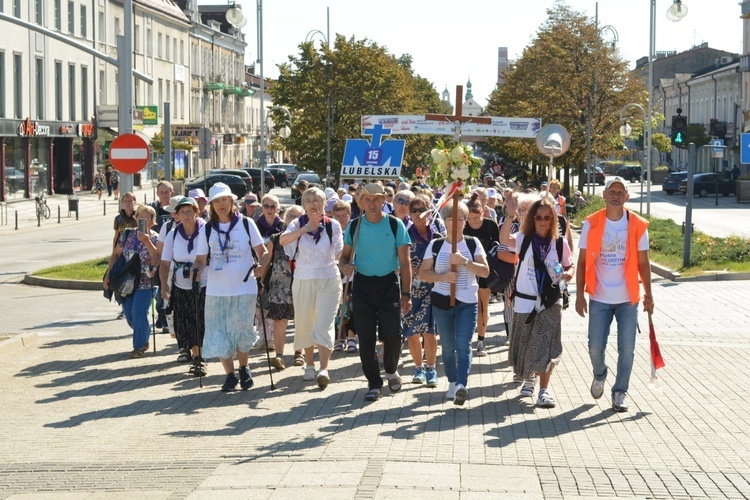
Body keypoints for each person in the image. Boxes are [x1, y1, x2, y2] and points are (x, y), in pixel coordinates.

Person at [575, 177, 654, 412]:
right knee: (595, 347)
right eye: (612, 191)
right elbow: (581, 263)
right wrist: (579, 294)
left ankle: (620, 392)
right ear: (604, 195)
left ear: (627, 197)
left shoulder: (638, 225)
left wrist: (649, 295)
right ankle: (600, 374)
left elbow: (644, 262)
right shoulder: (592, 224)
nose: (616, 195)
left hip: (628, 298)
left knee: (626, 349)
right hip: (599, 297)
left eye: (621, 192)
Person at [339, 183, 412, 402]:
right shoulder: (354, 226)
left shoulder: (395, 224)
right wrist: (345, 266)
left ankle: (391, 369)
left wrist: (406, 294)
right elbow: (344, 256)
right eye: (367, 200)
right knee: (366, 338)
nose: (372, 204)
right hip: (362, 286)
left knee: (392, 335)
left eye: (376, 199)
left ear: (384, 201)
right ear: (360, 202)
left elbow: (405, 262)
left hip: (389, 285)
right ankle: (374, 383)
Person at [500, 196, 574, 408]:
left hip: (551, 300)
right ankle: (529, 378)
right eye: (539, 217)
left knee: (547, 344)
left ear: (553, 220)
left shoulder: (559, 244)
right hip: (525, 301)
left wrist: (568, 274)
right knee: (526, 343)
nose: (543, 221)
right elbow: (505, 240)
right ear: (532, 219)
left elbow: (569, 265)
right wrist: (510, 215)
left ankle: (543, 390)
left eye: (547, 218)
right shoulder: (524, 238)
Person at [193, 183, 268, 392]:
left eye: (224, 199)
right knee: (218, 332)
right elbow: (200, 259)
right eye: (216, 201)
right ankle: (229, 374)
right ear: (211, 205)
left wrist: (262, 264)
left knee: (241, 329)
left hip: (244, 287)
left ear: (231, 201)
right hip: (216, 289)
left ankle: (244, 368)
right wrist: (196, 270)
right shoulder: (207, 229)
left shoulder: (246, 224)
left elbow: (262, 251)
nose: (221, 204)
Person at [419, 201, 489, 406]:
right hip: (442, 302)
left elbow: (484, 271)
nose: (456, 223)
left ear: (465, 222)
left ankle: (461, 385)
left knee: (463, 344)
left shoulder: (472, 243)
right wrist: (442, 277)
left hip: (467, 301)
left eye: (460, 219)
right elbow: (423, 274)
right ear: (445, 221)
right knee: (448, 347)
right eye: (451, 219)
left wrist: (465, 262)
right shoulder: (436, 245)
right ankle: (451, 381)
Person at [281, 188, 344, 388]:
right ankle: (309, 364)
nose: (312, 204)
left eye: (317, 200)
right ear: (303, 205)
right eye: (308, 200)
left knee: (323, 324)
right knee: (305, 323)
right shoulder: (296, 223)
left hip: (328, 278)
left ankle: (323, 368)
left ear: (325, 204)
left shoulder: (333, 225)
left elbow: (337, 253)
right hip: (303, 278)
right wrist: (305, 229)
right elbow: (283, 241)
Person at [159, 197, 208, 376]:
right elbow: (164, 263)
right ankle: (195, 356)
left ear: (197, 212)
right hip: (180, 286)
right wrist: (164, 283)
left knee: (199, 322)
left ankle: (199, 359)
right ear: (177, 215)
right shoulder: (173, 234)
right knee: (185, 323)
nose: (186, 215)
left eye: (189, 211)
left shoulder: (206, 231)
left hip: (204, 284)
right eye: (182, 212)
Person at [103, 204, 160, 358]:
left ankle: (139, 347)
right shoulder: (127, 235)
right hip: (128, 283)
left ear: (153, 221)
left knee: (138, 311)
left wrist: (147, 241)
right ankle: (144, 332)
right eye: (140, 217)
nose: (143, 220)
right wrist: (109, 274)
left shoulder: (156, 237)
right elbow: (116, 254)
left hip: (146, 282)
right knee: (129, 314)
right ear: (136, 218)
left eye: (147, 218)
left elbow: (157, 256)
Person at [403, 195, 445, 388]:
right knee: (412, 331)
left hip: (433, 289)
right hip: (409, 289)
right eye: (415, 210)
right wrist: (414, 270)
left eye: (422, 210)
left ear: (430, 212)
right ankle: (418, 368)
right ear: (409, 214)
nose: (419, 214)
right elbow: (396, 263)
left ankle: (431, 368)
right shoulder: (404, 235)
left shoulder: (437, 237)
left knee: (430, 331)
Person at [261, 205, 302, 371]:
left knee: (301, 320)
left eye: (297, 216)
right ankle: (279, 356)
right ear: (285, 218)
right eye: (290, 215)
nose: (293, 219)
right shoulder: (275, 238)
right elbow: (267, 260)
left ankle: (299, 353)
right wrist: (261, 281)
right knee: (280, 320)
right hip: (280, 286)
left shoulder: (306, 237)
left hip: (301, 283)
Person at [464, 192, 500, 357]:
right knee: (465, 305)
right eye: (469, 219)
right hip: (465, 270)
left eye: (475, 219)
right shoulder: (463, 225)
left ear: (483, 213)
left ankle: (481, 340)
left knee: (482, 305)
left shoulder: (490, 225)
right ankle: (464, 340)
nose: (472, 222)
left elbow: (498, 246)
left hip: (484, 269)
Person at [254, 194, 286, 352]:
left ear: (278, 209)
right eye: (266, 206)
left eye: (273, 206)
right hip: (259, 269)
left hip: (277, 271)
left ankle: (272, 338)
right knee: (259, 305)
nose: (269, 209)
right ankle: (262, 337)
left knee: (273, 304)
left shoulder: (283, 226)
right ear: (261, 207)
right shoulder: (255, 225)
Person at [331, 200, 358, 353]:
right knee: (338, 306)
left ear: (349, 215)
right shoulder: (331, 230)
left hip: (352, 271)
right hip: (335, 272)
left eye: (344, 215)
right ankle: (339, 338)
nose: (341, 219)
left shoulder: (354, 229)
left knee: (352, 304)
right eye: (338, 216)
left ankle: (352, 336)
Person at [151, 181, 175, 332]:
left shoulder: (176, 208)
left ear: (172, 193)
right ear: (157, 194)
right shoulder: (154, 209)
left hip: (174, 254)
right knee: (160, 285)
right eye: (162, 192)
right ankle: (162, 316)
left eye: (167, 192)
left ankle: (166, 319)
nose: (164, 195)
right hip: (158, 252)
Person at [112, 192, 138, 319]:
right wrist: (114, 254)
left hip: (134, 255)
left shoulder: (138, 217)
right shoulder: (118, 219)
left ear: (135, 202)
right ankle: (123, 307)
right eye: (125, 201)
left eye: (130, 200)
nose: (128, 203)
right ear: (122, 203)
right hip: (121, 253)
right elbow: (116, 236)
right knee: (121, 280)